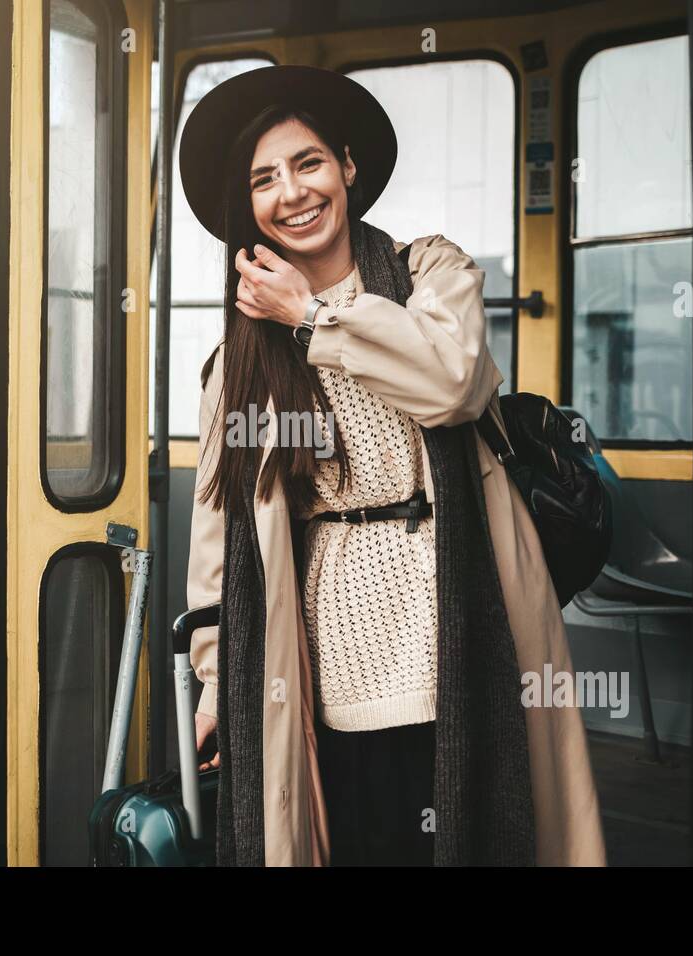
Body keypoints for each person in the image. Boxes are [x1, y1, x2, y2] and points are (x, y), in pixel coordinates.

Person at [178, 65, 606, 867]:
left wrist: (310, 315)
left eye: (307, 163)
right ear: (250, 209)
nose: (292, 193)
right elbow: (217, 534)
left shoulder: (428, 273)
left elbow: (451, 382)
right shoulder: (235, 361)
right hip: (321, 653)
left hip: (456, 625)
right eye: (264, 180)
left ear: (347, 166)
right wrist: (213, 680)